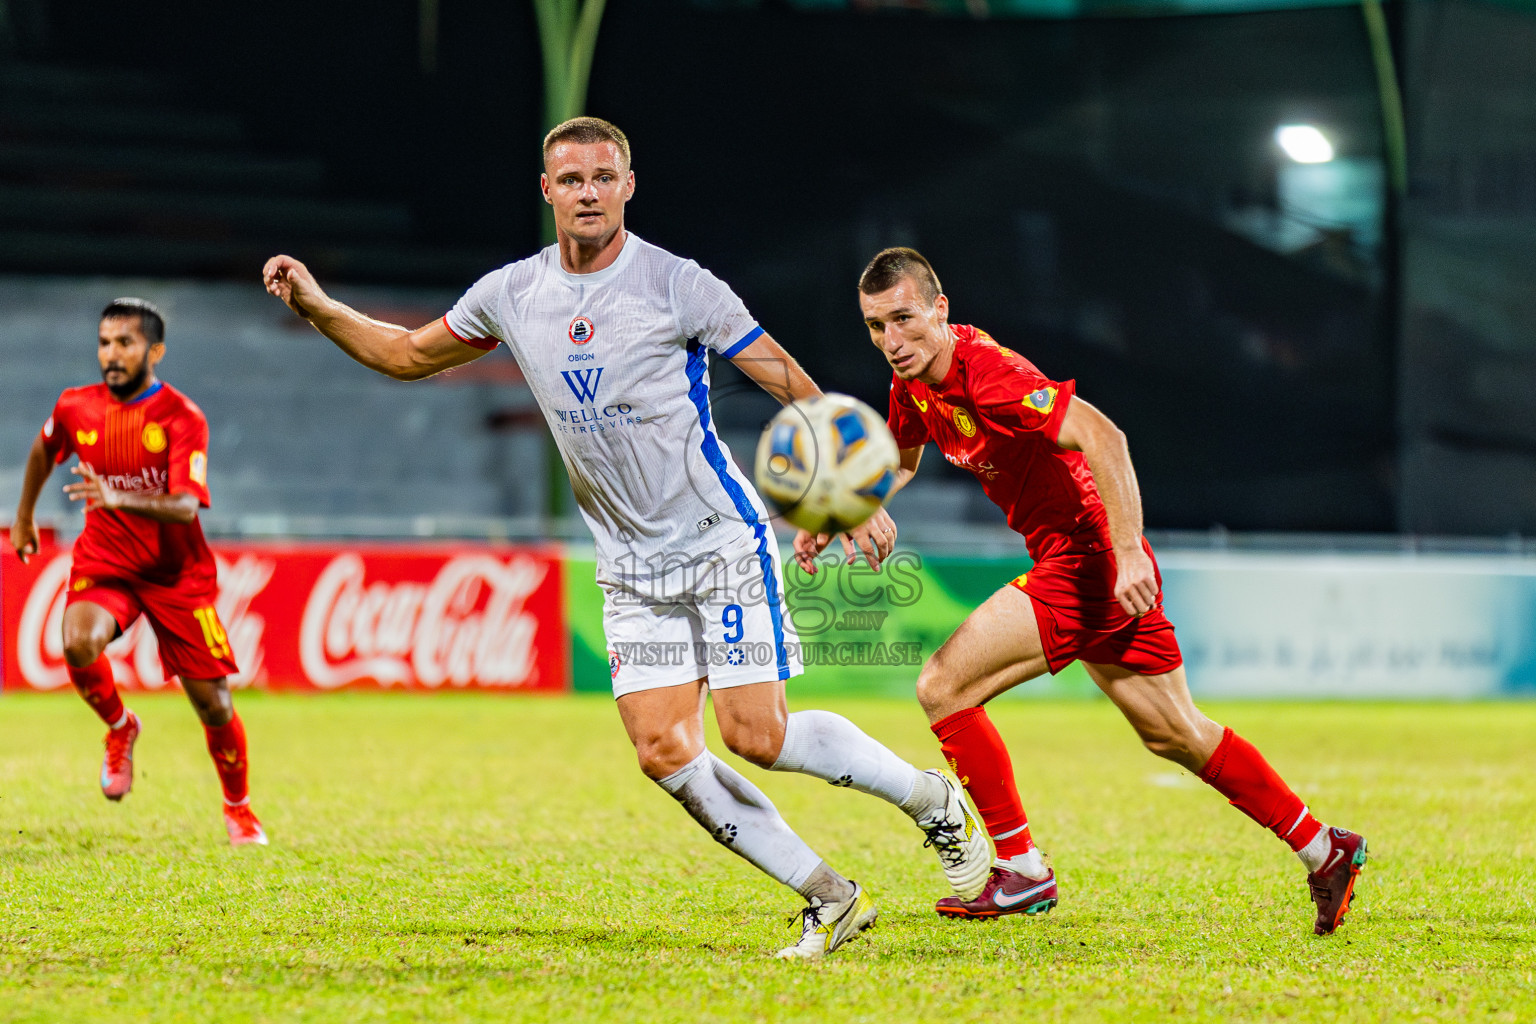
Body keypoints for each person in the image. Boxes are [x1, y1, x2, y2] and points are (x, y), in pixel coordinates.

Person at [261, 117, 990, 959]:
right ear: (547, 192)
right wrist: (317, 306)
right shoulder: (511, 294)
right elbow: (402, 354)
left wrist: (852, 489)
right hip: (630, 565)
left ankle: (929, 799)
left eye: (603, 177)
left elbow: (788, 379)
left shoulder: (679, 285)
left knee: (758, 735)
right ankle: (829, 897)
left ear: (628, 186)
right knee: (663, 751)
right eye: (571, 180)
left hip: (719, 539)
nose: (588, 194)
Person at [802, 246, 1366, 935]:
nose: (892, 341)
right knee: (1175, 733)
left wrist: (1128, 552)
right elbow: (905, 456)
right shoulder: (914, 384)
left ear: (940, 309)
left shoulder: (992, 377)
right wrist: (840, 513)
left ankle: (1022, 871)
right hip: (1074, 556)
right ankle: (1323, 848)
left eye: (905, 319)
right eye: (875, 326)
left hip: (1088, 557)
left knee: (943, 687)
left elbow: (1106, 436)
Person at [10, 298, 266, 847]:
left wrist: (116, 495)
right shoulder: (76, 406)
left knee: (214, 703)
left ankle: (239, 809)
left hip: (176, 574)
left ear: (155, 350)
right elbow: (42, 448)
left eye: (124, 343)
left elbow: (183, 505)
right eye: (104, 343)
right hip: (106, 561)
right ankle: (121, 727)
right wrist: (24, 517)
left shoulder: (181, 416)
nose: (111, 354)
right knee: (77, 643)